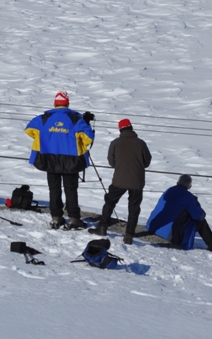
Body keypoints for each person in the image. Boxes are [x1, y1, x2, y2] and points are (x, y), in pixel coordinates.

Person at [24, 92, 95, 230]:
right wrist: (85, 123)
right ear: (67, 104)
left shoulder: (43, 119)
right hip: (71, 161)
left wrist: (46, 138)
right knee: (71, 189)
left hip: (49, 159)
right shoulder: (75, 120)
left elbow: (29, 130)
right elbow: (88, 138)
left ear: (54, 103)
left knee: (54, 189)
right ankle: (74, 219)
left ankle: (56, 217)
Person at [90, 118, 152, 244]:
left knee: (110, 202)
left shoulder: (115, 143)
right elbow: (147, 161)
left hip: (119, 180)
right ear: (131, 127)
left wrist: (120, 166)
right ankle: (129, 235)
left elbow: (111, 162)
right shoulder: (141, 143)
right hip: (137, 181)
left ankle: (102, 227)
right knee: (134, 208)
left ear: (120, 129)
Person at [146, 175, 212, 252]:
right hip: (170, 234)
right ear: (189, 186)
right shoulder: (189, 198)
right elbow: (199, 216)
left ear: (177, 182)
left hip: (153, 226)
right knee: (201, 222)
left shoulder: (169, 190)